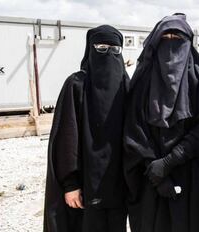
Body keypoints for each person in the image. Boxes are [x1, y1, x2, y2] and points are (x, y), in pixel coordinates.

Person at [123, 13, 199, 232]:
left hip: (193, 178)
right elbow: (134, 128)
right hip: (150, 176)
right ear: (156, 42)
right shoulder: (142, 81)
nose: (171, 45)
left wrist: (171, 160)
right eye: (165, 38)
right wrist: (156, 173)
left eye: (177, 39)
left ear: (188, 43)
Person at [43, 25, 129, 232]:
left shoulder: (126, 85)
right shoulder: (76, 85)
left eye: (115, 49)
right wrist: (71, 184)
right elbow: (67, 139)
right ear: (89, 49)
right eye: (100, 47)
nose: (108, 53)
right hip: (86, 186)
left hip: (119, 185)